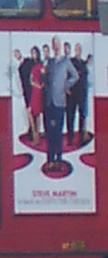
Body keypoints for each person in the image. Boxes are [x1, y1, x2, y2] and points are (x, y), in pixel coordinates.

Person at [43, 37, 80, 168]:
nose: (56, 46)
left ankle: (59, 159)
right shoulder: (50, 62)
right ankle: (50, 159)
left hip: (60, 102)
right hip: (49, 102)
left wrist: (64, 86)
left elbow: (75, 76)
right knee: (50, 132)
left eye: (57, 44)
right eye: (54, 44)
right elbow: (46, 80)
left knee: (58, 132)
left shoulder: (66, 61)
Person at [68, 42, 91, 145]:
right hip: (72, 93)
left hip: (82, 93)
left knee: (82, 116)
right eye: (76, 48)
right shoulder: (71, 62)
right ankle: (70, 138)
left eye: (79, 48)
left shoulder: (83, 63)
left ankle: (81, 137)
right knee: (71, 116)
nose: (78, 50)